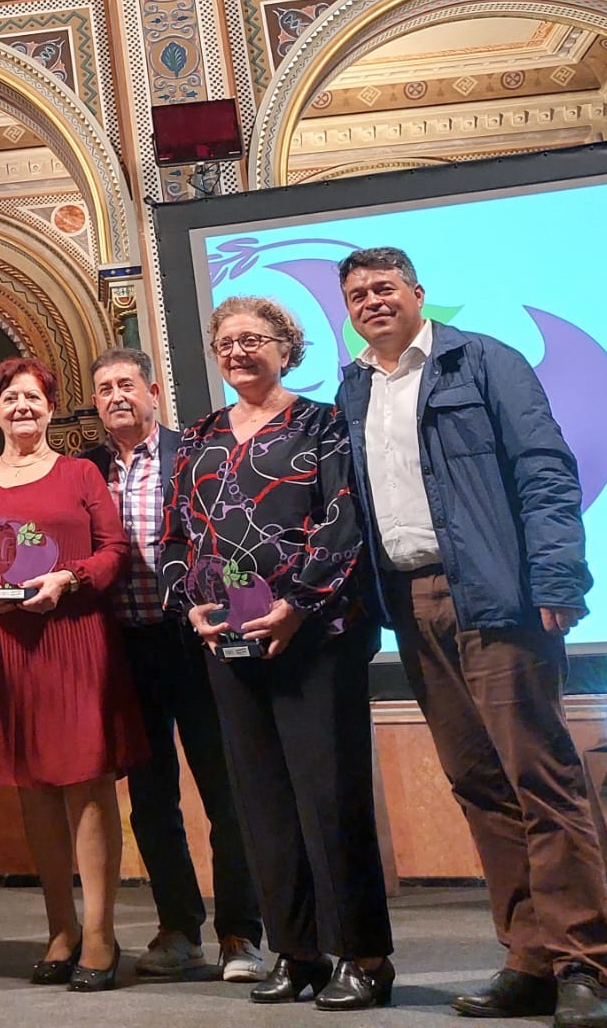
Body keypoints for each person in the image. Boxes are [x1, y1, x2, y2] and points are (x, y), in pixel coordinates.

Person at [336, 247, 607, 1028]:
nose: (372, 301)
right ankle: (527, 958)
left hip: (495, 598)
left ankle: (583, 967)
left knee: (541, 780)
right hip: (413, 604)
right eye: (357, 294)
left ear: (418, 293)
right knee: (480, 786)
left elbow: (546, 472)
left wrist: (558, 581)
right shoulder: (355, 384)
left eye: (384, 287)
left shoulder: (483, 360)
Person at [161, 297, 393, 1012]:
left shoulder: (321, 424)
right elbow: (175, 540)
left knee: (330, 799)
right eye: (225, 342)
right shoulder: (198, 436)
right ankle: (297, 954)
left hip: (313, 638)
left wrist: (296, 604)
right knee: (260, 804)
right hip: (228, 648)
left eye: (252, 340)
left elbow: (343, 520)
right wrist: (189, 604)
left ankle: (363, 955)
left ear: (286, 348)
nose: (236, 352)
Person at [82, 348, 265, 985]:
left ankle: (241, 932)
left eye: (126, 384)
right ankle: (178, 927)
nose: (115, 396)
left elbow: (229, 535)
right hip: (125, 650)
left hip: (198, 642)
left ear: (154, 391)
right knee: (151, 802)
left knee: (226, 792)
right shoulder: (88, 470)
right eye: (104, 388)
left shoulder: (193, 453)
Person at [0, 357, 146, 992]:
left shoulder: (81, 472)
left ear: (50, 407)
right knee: (33, 788)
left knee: (88, 785)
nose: (22, 408)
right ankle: (60, 928)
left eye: (34, 398)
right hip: (7, 646)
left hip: (75, 638)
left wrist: (68, 577)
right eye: (10, 397)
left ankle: (100, 932)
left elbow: (114, 550)